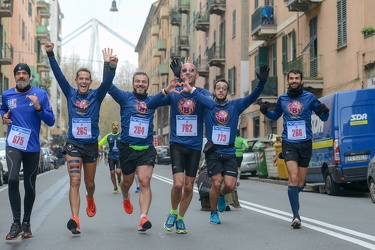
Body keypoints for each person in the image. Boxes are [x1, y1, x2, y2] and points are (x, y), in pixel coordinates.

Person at [45, 42, 118, 234]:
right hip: (74, 145)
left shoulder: (96, 95)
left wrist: (110, 65)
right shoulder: (69, 93)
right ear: (76, 80)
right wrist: (51, 54)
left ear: (90, 81)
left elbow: (108, 83)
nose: (84, 81)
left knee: (89, 184)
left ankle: (90, 198)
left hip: (91, 146)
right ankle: (75, 218)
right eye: (81, 78)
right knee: (74, 180)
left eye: (87, 78)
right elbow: (58, 74)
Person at [147, 57, 215, 234]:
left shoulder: (201, 92)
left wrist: (191, 90)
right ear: (180, 73)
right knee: (178, 184)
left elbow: (211, 105)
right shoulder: (174, 93)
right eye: (184, 70)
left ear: (197, 75)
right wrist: (166, 90)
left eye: (191, 70)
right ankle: (172, 212)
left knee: (188, 186)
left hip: (193, 147)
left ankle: (181, 219)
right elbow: (150, 104)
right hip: (177, 144)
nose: (187, 73)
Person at [259, 68, 329, 229]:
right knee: (293, 176)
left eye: (297, 78)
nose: (294, 81)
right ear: (288, 80)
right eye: (291, 78)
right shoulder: (282, 99)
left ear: (301, 80)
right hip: (289, 142)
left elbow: (323, 117)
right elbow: (275, 116)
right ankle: (295, 216)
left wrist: (325, 111)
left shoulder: (309, 97)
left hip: (305, 143)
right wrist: (265, 112)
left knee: (300, 183)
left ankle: (294, 200)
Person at [203, 65, 269, 224]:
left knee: (230, 186)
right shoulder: (207, 106)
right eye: (218, 88)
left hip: (229, 151)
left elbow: (252, 97)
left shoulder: (235, 105)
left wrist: (261, 83)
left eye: (224, 88)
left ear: (227, 91)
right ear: (214, 91)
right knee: (216, 182)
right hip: (213, 151)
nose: (220, 90)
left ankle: (220, 195)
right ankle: (213, 213)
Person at [102, 48, 156, 232]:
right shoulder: (125, 97)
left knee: (144, 181)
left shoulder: (153, 101)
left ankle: (143, 217)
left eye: (144, 82)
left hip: (146, 148)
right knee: (127, 181)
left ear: (148, 85)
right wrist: (110, 67)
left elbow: (171, 96)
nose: (140, 84)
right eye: (138, 81)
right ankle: (125, 196)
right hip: (127, 148)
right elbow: (108, 86)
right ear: (133, 83)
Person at [0, 63, 55, 240]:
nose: (21, 76)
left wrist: (38, 107)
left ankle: (26, 222)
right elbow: (2, 108)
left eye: (24, 73)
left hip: (32, 147)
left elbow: (51, 120)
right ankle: (16, 223)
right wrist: (4, 117)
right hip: (13, 144)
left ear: (29, 76)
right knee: (13, 178)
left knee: (29, 185)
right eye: (18, 73)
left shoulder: (40, 94)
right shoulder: (7, 95)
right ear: (15, 76)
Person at [98, 121, 122, 194]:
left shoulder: (121, 135)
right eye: (114, 125)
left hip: (119, 156)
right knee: (112, 172)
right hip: (111, 156)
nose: (115, 127)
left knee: (118, 171)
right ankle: (115, 187)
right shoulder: (108, 136)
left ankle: (119, 179)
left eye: (117, 125)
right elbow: (100, 143)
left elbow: (127, 143)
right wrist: (100, 149)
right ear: (112, 127)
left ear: (118, 127)